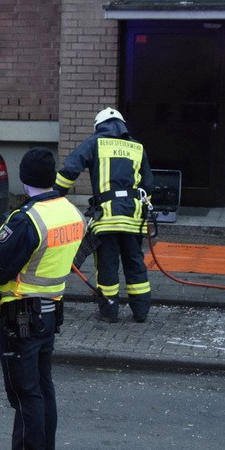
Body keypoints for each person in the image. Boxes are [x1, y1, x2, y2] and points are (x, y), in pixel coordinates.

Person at [0, 147, 85, 450]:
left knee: (25, 395)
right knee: (42, 388)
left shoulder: (27, 219)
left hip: (21, 315)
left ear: (23, 179)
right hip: (50, 311)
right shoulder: (71, 212)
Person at [55, 107, 154, 323]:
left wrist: (54, 196)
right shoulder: (137, 147)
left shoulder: (95, 143)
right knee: (135, 262)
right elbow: (148, 186)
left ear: (98, 126)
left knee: (107, 265)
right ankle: (141, 312)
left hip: (106, 218)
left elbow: (69, 170)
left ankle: (109, 312)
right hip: (132, 218)